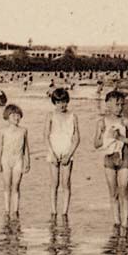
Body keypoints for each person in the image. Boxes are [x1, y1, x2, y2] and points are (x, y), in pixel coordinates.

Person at [94, 91, 128, 226]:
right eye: (117, 104)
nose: (120, 108)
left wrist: (120, 137)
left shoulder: (125, 121)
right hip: (109, 159)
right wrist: (105, 135)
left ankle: (125, 223)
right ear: (108, 104)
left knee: (124, 190)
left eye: (122, 105)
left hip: (124, 158)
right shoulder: (102, 122)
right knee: (113, 193)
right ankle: (116, 222)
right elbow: (96, 144)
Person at [44, 88, 80, 218]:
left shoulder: (73, 116)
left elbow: (77, 138)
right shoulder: (50, 115)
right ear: (54, 102)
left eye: (64, 101)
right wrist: (51, 153)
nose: (62, 105)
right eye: (58, 102)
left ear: (67, 101)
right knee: (54, 182)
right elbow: (46, 136)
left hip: (67, 151)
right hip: (53, 150)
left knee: (66, 182)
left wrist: (69, 154)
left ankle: (65, 212)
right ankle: (53, 210)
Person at [0, 104, 30, 216]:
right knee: (7, 185)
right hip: (6, 160)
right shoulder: (3, 131)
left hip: (18, 160)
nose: (16, 117)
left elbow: (26, 148)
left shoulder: (23, 131)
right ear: (7, 116)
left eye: (18, 115)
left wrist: (28, 162)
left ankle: (15, 210)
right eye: (13, 115)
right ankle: (6, 210)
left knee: (16, 185)